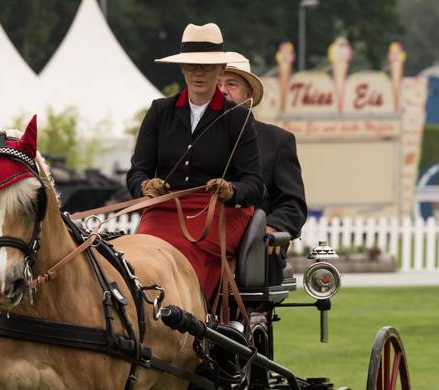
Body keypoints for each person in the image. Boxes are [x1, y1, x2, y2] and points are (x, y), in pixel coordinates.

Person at [126, 23, 263, 302]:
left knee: (186, 252)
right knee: (139, 250)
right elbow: (137, 171)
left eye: (206, 66)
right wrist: (144, 185)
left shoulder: (238, 118)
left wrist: (230, 190)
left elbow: (254, 183)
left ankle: (190, 315)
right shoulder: (159, 112)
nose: (198, 73)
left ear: (220, 70)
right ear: (182, 68)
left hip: (218, 212)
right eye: (191, 65)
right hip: (165, 208)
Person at [219, 58, 307, 242]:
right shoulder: (193, 138)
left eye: (231, 84)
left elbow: (293, 206)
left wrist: (271, 227)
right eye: (217, 84)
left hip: (255, 245)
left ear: (248, 93)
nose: (222, 91)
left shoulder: (278, 141)